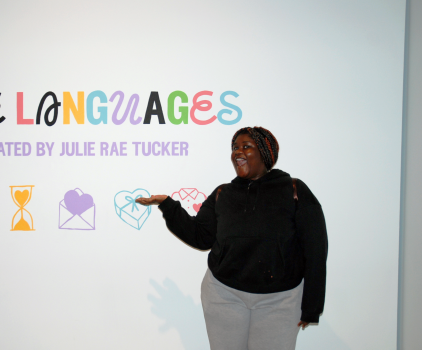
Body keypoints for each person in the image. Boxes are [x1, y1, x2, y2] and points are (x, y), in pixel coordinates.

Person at [136, 126, 328, 350]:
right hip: (223, 295)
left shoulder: (294, 190)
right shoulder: (223, 194)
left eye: (246, 147)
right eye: (235, 148)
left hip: (280, 302)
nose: (238, 152)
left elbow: (315, 249)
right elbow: (200, 237)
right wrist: (168, 206)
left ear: (266, 154)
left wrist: (312, 306)